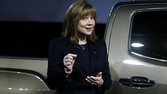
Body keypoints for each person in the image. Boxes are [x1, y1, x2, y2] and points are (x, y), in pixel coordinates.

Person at [46, 0, 112, 94]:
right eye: (84, 18)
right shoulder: (58, 45)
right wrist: (66, 71)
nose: (90, 23)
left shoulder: (100, 45)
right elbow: (51, 83)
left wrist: (101, 82)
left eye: (92, 18)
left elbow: (108, 80)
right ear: (73, 20)